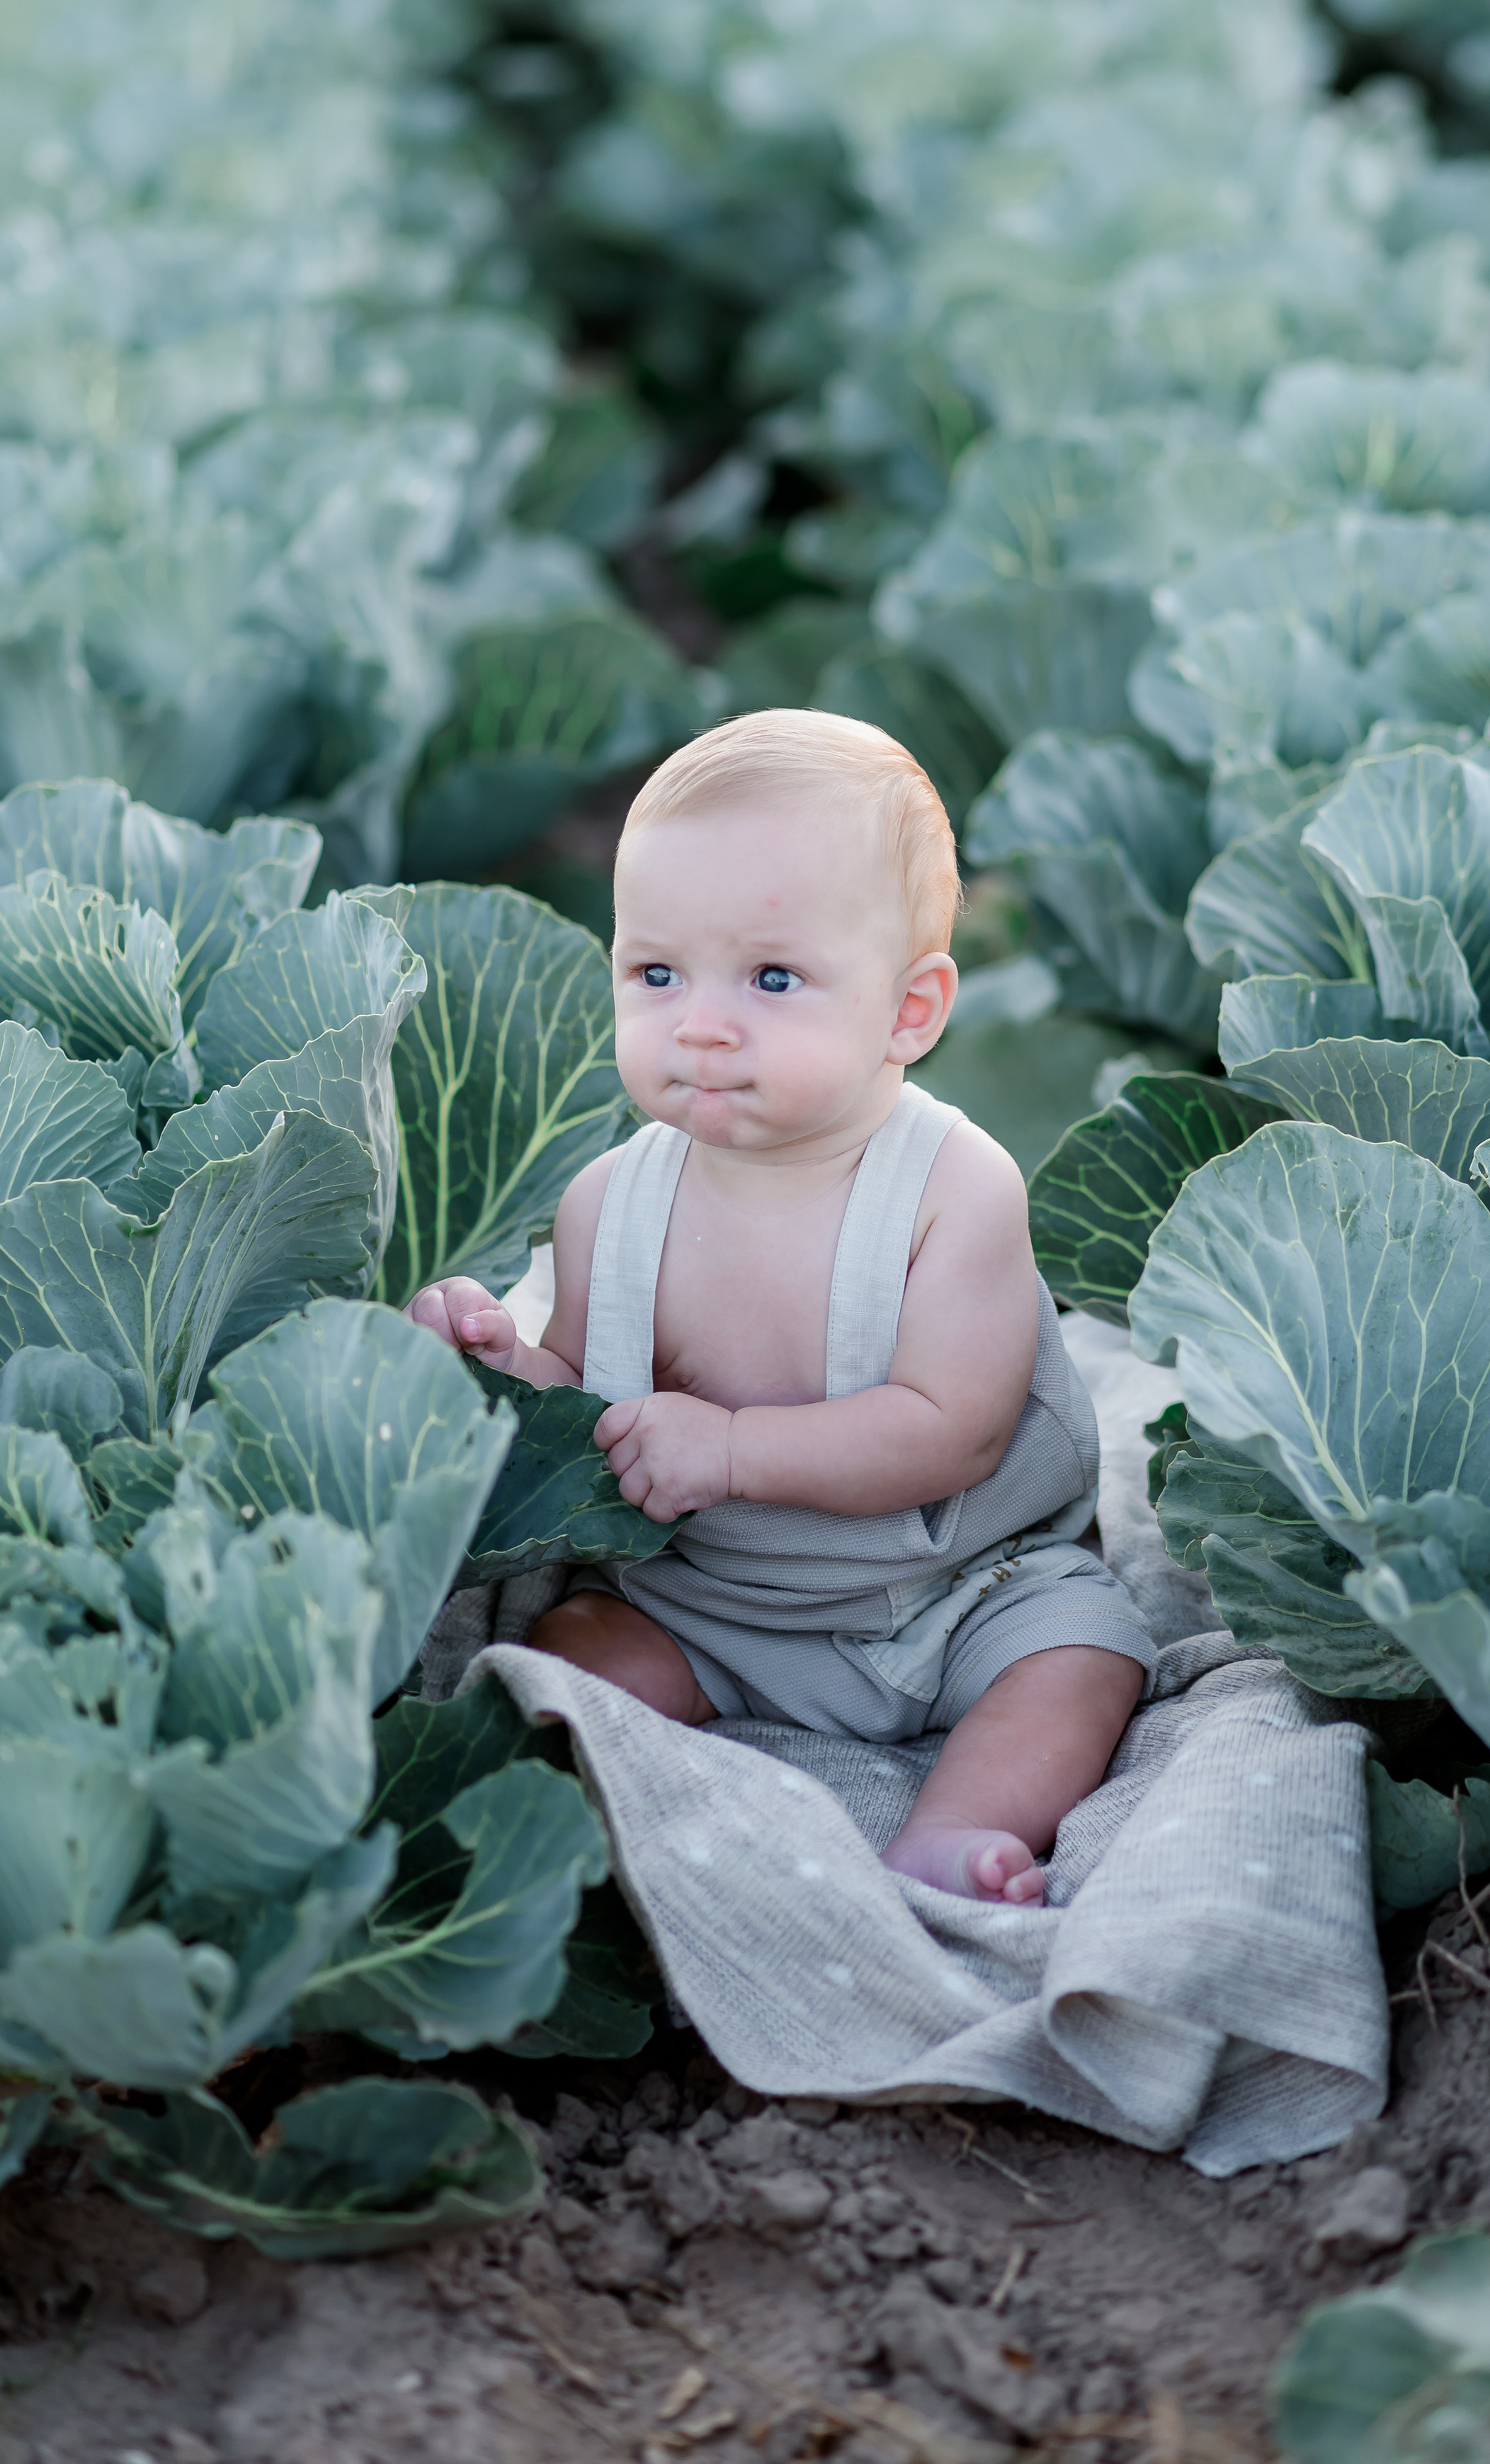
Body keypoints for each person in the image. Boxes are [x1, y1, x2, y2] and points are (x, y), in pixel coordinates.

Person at [409, 711, 1153, 1904]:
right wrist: (498, 1362)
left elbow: (949, 1427)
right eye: (656, 972)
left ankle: (951, 1834)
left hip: (966, 1589)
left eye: (770, 977)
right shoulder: (612, 1201)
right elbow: (590, 1410)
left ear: (910, 1011)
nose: (699, 1022)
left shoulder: (953, 1191)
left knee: (1084, 1658)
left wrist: (737, 1448)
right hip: (709, 1604)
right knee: (570, 1660)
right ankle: (627, 1822)